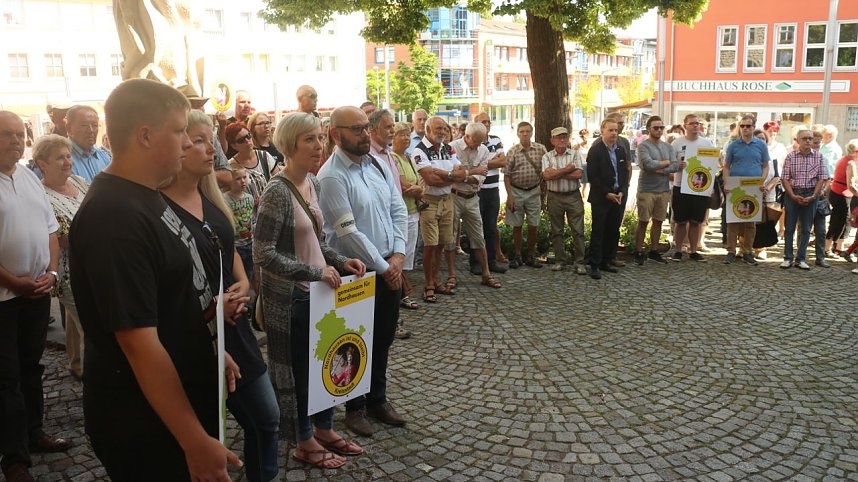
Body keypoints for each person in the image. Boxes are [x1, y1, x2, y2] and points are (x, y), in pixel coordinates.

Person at [69, 79, 241, 480]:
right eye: (180, 131)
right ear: (145, 135)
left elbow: (173, 297)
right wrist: (193, 440)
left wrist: (209, 349)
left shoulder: (147, 195)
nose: (187, 143)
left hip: (177, 404)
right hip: (145, 426)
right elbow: (138, 343)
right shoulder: (114, 215)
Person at [161, 110, 278, 482]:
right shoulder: (159, 208)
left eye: (210, 139)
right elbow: (167, 288)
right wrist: (213, 308)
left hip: (236, 329)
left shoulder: (211, 196)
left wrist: (242, 283)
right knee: (209, 427)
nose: (209, 148)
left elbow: (229, 251)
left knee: (266, 417)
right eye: (197, 139)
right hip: (196, 336)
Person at [253, 112, 365, 469]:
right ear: (289, 145)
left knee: (324, 365)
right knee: (299, 374)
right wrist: (315, 271)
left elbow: (315, 242)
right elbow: (263, 253)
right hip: (291, 299)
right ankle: (303, 440)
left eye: (320, 138)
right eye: (309, 140)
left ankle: (324, 427)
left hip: (317, 294)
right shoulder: (277, 191)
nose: (319, 146)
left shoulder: (310, 184)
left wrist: (341, 260)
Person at [317, 106, 409, 437]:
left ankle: (377, 399)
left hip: (388, 267)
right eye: (356, 129)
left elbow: (397, 208)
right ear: (335, 134)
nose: (365, 134)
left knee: (382, 338)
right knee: (354, 340)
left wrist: (398, 255)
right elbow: (347, 233)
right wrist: (386, 268)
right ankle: (354, 408)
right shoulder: (331, 176)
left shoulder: (376, 165)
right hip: (357, 272)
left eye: (366, 128)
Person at [0, 111, 68, 482]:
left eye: (19, 134)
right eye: (6, 134)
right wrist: (16, 280)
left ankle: (34, 432)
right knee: (6, 376)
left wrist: (52, 273)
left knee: (32, 367)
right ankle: (14, 458)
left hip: (38, 292)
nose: (15, 140)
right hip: (4, 298)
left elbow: (51, 230)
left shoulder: (28, 177)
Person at [33, 135, 88, 380]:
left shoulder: (79, 181)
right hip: (69, 271)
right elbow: (61, 238)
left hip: (91, 263)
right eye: (60, 158)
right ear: (42, 164)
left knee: (77, 322)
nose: (67, 162)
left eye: (68, 156)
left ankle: (76, 364)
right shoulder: (41, 195)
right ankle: (93, 377)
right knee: (89, 324)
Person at [412, 116, 467, 303]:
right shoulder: (419, 150)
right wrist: (453, 176)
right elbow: (430, 180)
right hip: (429, 202)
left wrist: (445, 173)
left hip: (447, 200)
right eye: (438, 128)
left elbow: (462, 173)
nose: (442, 132)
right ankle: (428, 283)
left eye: (444, 128)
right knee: (430, 245)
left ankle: (435, 280)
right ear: (427, 130)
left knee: (442, 243)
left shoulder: (448, 148)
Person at [446, 123, 498, 288]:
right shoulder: (451, 148)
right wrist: (473, 171)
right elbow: (451, 176)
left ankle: (486, 274)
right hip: (454, 197)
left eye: (481, 141)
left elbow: (480, 178)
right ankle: (452, 275)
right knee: (450, 238)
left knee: (478, 236)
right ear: (466, 136)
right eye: (476, 141)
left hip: (473, 197)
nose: (478, 145)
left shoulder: (484, 150)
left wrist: (464, 174)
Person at [780, 128, 829, 270]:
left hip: (811, 194)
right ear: (798, 140)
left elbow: (822, 178)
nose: (808, 140)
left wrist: (814, 195)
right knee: (789, 228)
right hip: (793, 193)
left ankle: (801, 258)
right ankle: (788, 258)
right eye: (804, 138)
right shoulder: (791, 156)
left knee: (807, 229)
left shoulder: (819, 156)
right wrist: (792, 195)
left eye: (810, 138)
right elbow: (785, 178)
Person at [723, 115, 769, 265]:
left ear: (753, 127)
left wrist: (762, 181)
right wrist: (726, 183)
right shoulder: (733, 145)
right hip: (736, 186)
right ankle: (731, 251)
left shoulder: (761, 145)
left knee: (750, 221)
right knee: (733, 221)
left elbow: (766, 166)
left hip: (754, 186)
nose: (745, 128)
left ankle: (747, 252)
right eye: (742, 126)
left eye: (748, 126)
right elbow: (726, 166)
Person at [587, 118, 630, 279]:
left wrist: (622, 191)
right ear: (603, 130)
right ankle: (595, 264)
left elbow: (624, 173)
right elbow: (593, 176)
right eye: (610, 130)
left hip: (618, 196)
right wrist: (607, 193)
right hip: (601, 197)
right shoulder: (596, 150)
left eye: (616, 130)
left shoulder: (620, 150)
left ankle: (607, 260)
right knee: (599, 231)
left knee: (613, 230)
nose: (614, 133)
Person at [542, 127, 587, 275]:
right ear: (552, 140)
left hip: (573, 196)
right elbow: (547, 176)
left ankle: (579, 262)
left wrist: (557, 172)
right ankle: (560, 260)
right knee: (556, 231)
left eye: (564, 137)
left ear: (568, 139)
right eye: (558, 137)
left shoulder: (575, 154)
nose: (561, 140)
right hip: (554, 196)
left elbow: (579, 174)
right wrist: (567, 170)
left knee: (578, 230)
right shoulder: (547, 157)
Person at [669, 114, 715, 262]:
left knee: (696, 221)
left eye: (697, 123)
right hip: (680, 186)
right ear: (685, 125)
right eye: (692, 123)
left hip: (699, 188)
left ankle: (693, 251)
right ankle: (678, 250)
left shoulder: (707, 144)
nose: (695, 126)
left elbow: (713, 166)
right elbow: (669, 164)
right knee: (680, 221)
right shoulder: (676, 144)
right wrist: (677, 165)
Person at [634, 116, 677, 265]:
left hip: (663, 190)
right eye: (656, 128)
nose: (659, 130)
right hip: (647, 189)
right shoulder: (643, 146)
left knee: (658, 221)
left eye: (661, 127)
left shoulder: (668, 147)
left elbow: (675, 166)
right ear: (649, 129)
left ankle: (654, 251)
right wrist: (666, 164)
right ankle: (638, 251)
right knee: (643, 221)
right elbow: (647, 164)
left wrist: (660, 168)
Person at [503, 121, 547, 268]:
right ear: (518, 133)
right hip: (516, 191)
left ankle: (530, 255)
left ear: (532, 132)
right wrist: (510, 196)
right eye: (522, 131)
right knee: (517, 225)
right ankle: (517, 255)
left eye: (528, 131)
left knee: (534, 225)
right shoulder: (512, 151)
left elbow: (545, 171)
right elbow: (507, 175)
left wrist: (543, 190)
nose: (525, 134)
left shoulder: (541, 149)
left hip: (534, 191)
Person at [392, 122, 424, 315]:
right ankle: (401, 293)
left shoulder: (409, 157)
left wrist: (418, 189)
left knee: (409, 254)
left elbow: (418, 183)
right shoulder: (393, 159)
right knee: (400, 253)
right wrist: (418, 189)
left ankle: (403, 290)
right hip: (402, 212)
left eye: (407, 135)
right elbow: (405, 186)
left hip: (413, 211)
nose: (405, 138)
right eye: (401, 135)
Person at [471, 113, 508, 272]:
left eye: (488, 121)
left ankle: (491, 261)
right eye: (482, 122)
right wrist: (489, 163)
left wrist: (482, 164)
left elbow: (503, 161)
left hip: (493, 190)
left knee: (491, 227)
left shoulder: (496, 139)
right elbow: (471, 165)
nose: (486, 124)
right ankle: (475, 262)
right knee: (475, 227)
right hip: (477, 190)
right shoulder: (472, 141)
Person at [225, 122, 280, 206]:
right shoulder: (230, 166)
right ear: (234, 145)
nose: (247, 141)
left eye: (248, 136)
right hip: (247, 214)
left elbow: (278, 181)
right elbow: (231, 196)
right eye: (241, 140)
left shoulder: (265, 156)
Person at [828, 139, 858, 261]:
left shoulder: (846, 159)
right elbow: (851, 185)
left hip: (841, 193)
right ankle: (830, 248)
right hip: (842, 194)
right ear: (855, 151)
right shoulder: (850, 162)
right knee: (838, 222)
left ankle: (839, 248)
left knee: (844, 222)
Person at [66, 105, 112, 182]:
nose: (91, 130)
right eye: (84, 125)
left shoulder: (105, 157)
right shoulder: (63, 162)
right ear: (69, 128)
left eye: (95, 125)